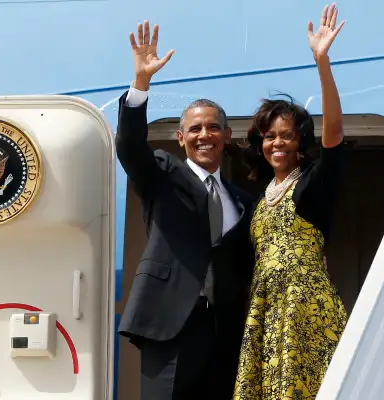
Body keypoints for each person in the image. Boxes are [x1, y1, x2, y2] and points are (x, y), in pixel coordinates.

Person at [115, 21, 255, 400]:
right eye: (195, 129)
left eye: (213, 128)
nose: (204, 135)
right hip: (171, 323)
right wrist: (140, 84)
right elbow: (129, 146)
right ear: (181, 138)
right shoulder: (161, 172)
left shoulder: (244, 200)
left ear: (226, 137)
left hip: (224, 329)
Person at [233, 4, 348, 399]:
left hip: (306, 311)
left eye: (286, 135)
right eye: (269, 136)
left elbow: (334, 134)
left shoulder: (312, 186)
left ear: (300, 144)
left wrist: (322, 63)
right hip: (267, 310)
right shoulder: (258, 202)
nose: (277, 142)